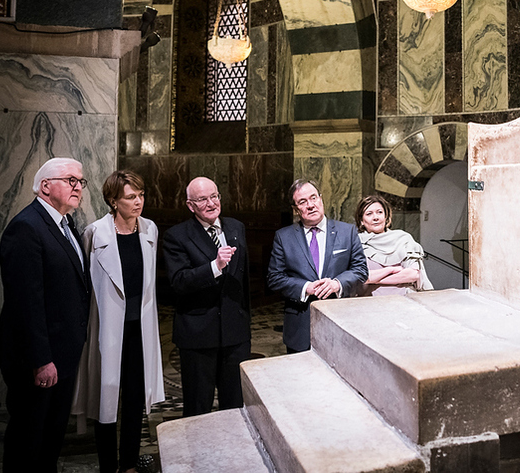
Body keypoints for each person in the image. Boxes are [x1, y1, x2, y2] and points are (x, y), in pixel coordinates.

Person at [0, 157, 91, 473]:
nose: (77, 187)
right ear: (45, 186)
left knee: (50, 438)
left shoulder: (65, 223)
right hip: (38, 360)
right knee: (28, 441)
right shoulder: (27, 227)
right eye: (70, 180)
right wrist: (41, 360)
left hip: (62, 354)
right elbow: (25, 303)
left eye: (80, 181)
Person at [73, 170, 165, 473]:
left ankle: (128, 464)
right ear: (114, 201)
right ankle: (107, 466)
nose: (138, 202)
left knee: (136, 397)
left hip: (140, 328)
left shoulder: (149, 229)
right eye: (130, 197)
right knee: (106, 395)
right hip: (109, 328)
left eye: (141, 195)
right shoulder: (95, 233)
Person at [162, 177, 251, 416]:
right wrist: (215, 266)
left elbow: (244, 281)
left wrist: (245, 322)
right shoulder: (176, 236)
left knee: (235, 406)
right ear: (191, 205)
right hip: (198, 335)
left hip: (235, 334)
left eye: (214, 196)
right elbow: (179, 281)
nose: (211, 203)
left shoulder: (235, 227)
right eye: (203, 199)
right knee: (198, 407)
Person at [267, 179, 368, 352]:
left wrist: (337, 283)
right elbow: (274, 278)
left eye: (313, 198)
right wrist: (306, 287)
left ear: (321, 199)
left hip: (340, 322)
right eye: (302, 202)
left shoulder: (347, 232)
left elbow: (360, 269)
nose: (310, 205)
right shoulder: (284, 237)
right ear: (295, 209)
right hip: (300, 325)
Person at [356, 194, 433, 296]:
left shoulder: (403, 238)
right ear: (361, 221)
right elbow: (356, 278)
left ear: (386, 216)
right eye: (369, 214)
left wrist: (373, 279)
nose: (375, 217)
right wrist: (391, 270)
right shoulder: (356, 243)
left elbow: (413, 274)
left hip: (405, 300)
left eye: (379, 212)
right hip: (370, 302)